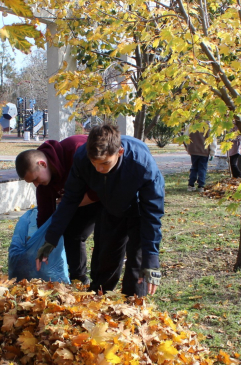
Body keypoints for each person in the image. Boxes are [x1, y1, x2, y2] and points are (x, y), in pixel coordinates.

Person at [36, 124, 165, 297]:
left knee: (138, 261)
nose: (99, 169)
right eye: (94, 163)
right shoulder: (82, 158)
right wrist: (51, 239)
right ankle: (99, 299)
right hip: (110, 206)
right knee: (105, 258)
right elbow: (70, 200)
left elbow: (152, 213)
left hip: (139, 208)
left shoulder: (142, 165)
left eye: (105, 163)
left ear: (119, 152)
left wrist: (152, 258)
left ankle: (133, 303)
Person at [14, 135, 101, 283]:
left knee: (104, 237)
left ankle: (102, 283)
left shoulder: (76, 150)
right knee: (72, 233)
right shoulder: (43, 185)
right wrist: (40, 243)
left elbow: (100, 188)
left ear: (42, 164)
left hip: (105, 194)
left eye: (35, 179)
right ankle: (78, 278)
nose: (36, 185)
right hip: (78, 201)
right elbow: (45, 216)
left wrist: (72, 201)